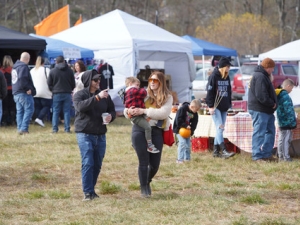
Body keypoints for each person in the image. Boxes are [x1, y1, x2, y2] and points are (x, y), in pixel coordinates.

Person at [124, 71, 173, 198]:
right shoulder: (143, 93)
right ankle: (144, 188)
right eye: (150, 79)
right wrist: (128, 111)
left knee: (155, 164)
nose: (151, 82)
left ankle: (146, 180)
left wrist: (144, 110)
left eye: (155, 80)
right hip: (139, 130)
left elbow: (163, 113)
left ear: (161, 82)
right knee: (143, 161)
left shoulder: (167, 97)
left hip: (156, 131)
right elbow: (128, 105)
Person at [73, 69, 116, 201]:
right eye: (95, 80)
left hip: (100, 134)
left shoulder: (105, 95)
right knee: (88, 162)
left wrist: (110, 117)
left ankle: (91, 191)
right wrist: (97, 98)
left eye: (99, 80)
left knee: (97, 163)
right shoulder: (79, 94)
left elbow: (112, 111)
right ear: (88, 81)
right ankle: (87, 192)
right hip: (84, 133)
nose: (98, 82)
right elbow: (80, 107)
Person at [248, 58, 277, 162]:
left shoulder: (262, 76)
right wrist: (271, 103)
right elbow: (261, 95)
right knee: (260, 133)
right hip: (260, 109)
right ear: (267, 67)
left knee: (270, 132)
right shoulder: (260, 76)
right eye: (272, 68)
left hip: (265, 110)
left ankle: (266, 154)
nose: (272, 70)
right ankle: (257, 156)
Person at [206, 57, 235, 158]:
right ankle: (224, 150)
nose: (229, 68)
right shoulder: (214, 76)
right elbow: (209, 92)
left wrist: (229, 104)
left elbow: (229, 91)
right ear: (223, 67)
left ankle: (215, 151)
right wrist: (210, 106)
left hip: (224, 106)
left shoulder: (226, 77)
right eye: (228, 66)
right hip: (215, 106)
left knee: (220, 129)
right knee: (220, 127)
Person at [124, 76, 159, 153]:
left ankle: (136, 142)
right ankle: (149, 145)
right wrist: (145, 89)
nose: (138, 87)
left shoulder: (127, 92)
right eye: (137, 85)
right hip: (136, 116)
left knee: (149, 119)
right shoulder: (132, 90)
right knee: (147, 127)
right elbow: (143, 93)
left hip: (138, 114)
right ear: (130, 84)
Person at [47, 55, 75, 133]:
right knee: (66, 111)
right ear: (64, 61)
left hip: (56, 93)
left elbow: (49, 83)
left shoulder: (52, 71)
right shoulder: (70, 71)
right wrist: (70, 89)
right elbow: (73, 83)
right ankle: (67, 129)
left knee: (56, 111)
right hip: (67, 93)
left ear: (56, 62)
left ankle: (55, 129)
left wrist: (53, 90)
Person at [12, 52, 36, 134]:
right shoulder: (23, 67)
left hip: (16, 92)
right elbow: (22, 79)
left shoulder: (15, 67)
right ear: (27, 59)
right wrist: (27, 88)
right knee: (29, 109)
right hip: (23, 92)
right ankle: (24, 128)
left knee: (20, 111)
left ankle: (20, 128)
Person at [173, 99, 201, 163]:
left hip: (187, 131)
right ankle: (180, 159)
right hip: (179, 129)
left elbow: (194, 124)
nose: (197, 111)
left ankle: (187, 158)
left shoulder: (195, 114)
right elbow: (178, 120)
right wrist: (185, 125)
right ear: (192, 107)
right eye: (196, 109)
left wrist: (191, 131)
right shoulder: (182, 109)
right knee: (182, 143)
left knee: (188, 145)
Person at [275, 78, 296, 162]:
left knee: (281, 138)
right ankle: (285, 157)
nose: (291, 90)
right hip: (286, 122)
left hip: (281, 120)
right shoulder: (285, 95)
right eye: (291, 88)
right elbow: (289, 110)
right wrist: (292, 121)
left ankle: (281, 156)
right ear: (288, 86)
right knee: (285, 139)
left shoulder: (279, 94)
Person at [30, 56, 52, 127]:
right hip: (45, 92)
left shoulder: (32, 70)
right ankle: (39, 119)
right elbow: (50, 81)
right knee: (47, 106)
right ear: (43, 62)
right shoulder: (46, 70)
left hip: (35, 92)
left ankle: (39, 120)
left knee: (38, 107)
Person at [0, 55, 16, 126]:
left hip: (5, 90)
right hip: (13, 89)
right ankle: (12, 121)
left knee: (5, 106)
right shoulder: (14, 70)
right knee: (12, 106)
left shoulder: (1, 70)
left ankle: (4, 122)